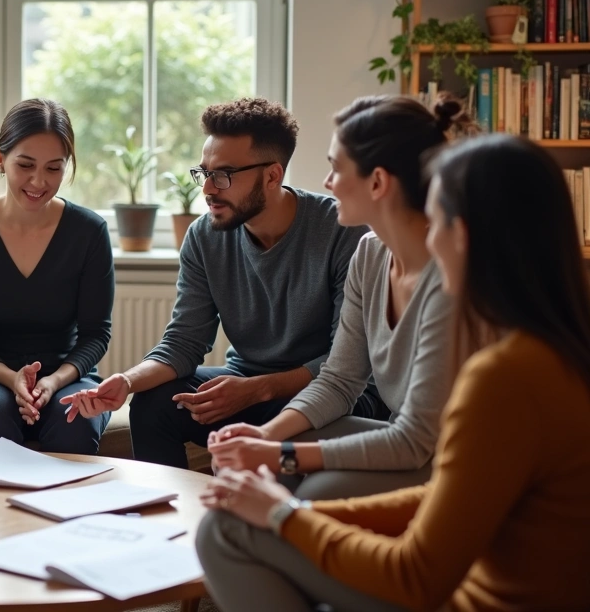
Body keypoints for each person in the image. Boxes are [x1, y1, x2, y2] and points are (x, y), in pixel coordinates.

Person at [196, 134, 590, 612]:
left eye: (435, 220)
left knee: (226, 529)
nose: (428, 235)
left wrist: (284, 515)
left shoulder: (503, 378)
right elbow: (446, 498)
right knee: (248, 522)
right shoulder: (552, 352)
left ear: (460, 234)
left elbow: (415, 575)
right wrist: (296, 507)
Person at [62, 97, 383, 468]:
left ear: (272, 176)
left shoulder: (343, 232)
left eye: (224, 175)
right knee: (154, 401)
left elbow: (345, 364)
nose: (208, 189)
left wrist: (257, 389)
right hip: (246, 382)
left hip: (334, 394)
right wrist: (128, 381)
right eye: (204, 173)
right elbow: (184, 342)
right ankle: (168, 515)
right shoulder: (204, 236)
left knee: (312, 417)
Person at [203, 96, 473, 500]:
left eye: (335, 167)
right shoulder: (370, 253)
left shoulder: (448, 274)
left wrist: (281, 456)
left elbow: (417, 440)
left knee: (310, 488)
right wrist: (264, 436)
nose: (327, 183)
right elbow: (340, 379)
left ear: (378, 182)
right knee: (273, 466)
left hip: (454, 457)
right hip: (404, 436)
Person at [0, 98, 115, 453]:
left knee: (75, 421)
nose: (39, 181)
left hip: (68, 376)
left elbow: (96, 335)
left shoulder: (90, 231)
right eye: (26, 165)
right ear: (0, 159)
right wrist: (13, 378)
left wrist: (52, 382)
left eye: (54, 168)